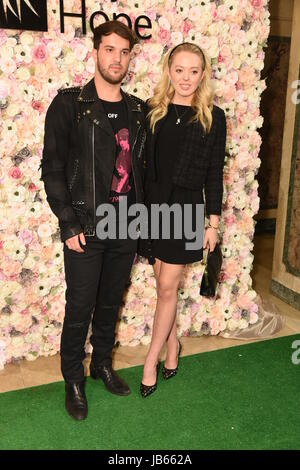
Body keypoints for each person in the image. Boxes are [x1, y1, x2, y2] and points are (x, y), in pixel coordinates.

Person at [41, 20, 147, 420]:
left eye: (124, 51)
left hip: (126, 225)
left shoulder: (138, 110)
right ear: (96, 51)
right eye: (109, 50)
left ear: (129, 57)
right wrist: (68, 223)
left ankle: (102, 363)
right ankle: (73, 378)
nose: (116, 58)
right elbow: (52, 168)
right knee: (80, 305)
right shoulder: (69, 104)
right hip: (85, 226)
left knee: (109, 303)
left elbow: (143, 171)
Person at [138, 43, 227, 397]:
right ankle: (173, 347)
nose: (185, 78)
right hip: (153, 206)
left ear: (203, 74)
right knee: (164, 284)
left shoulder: (212, 116)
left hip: (187, 208)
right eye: (179, 69)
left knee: (166, 288)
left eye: (193, 71)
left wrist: (213, 223)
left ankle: (150, 362)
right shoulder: (152, 110)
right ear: (168, 71)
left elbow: (214, 173)